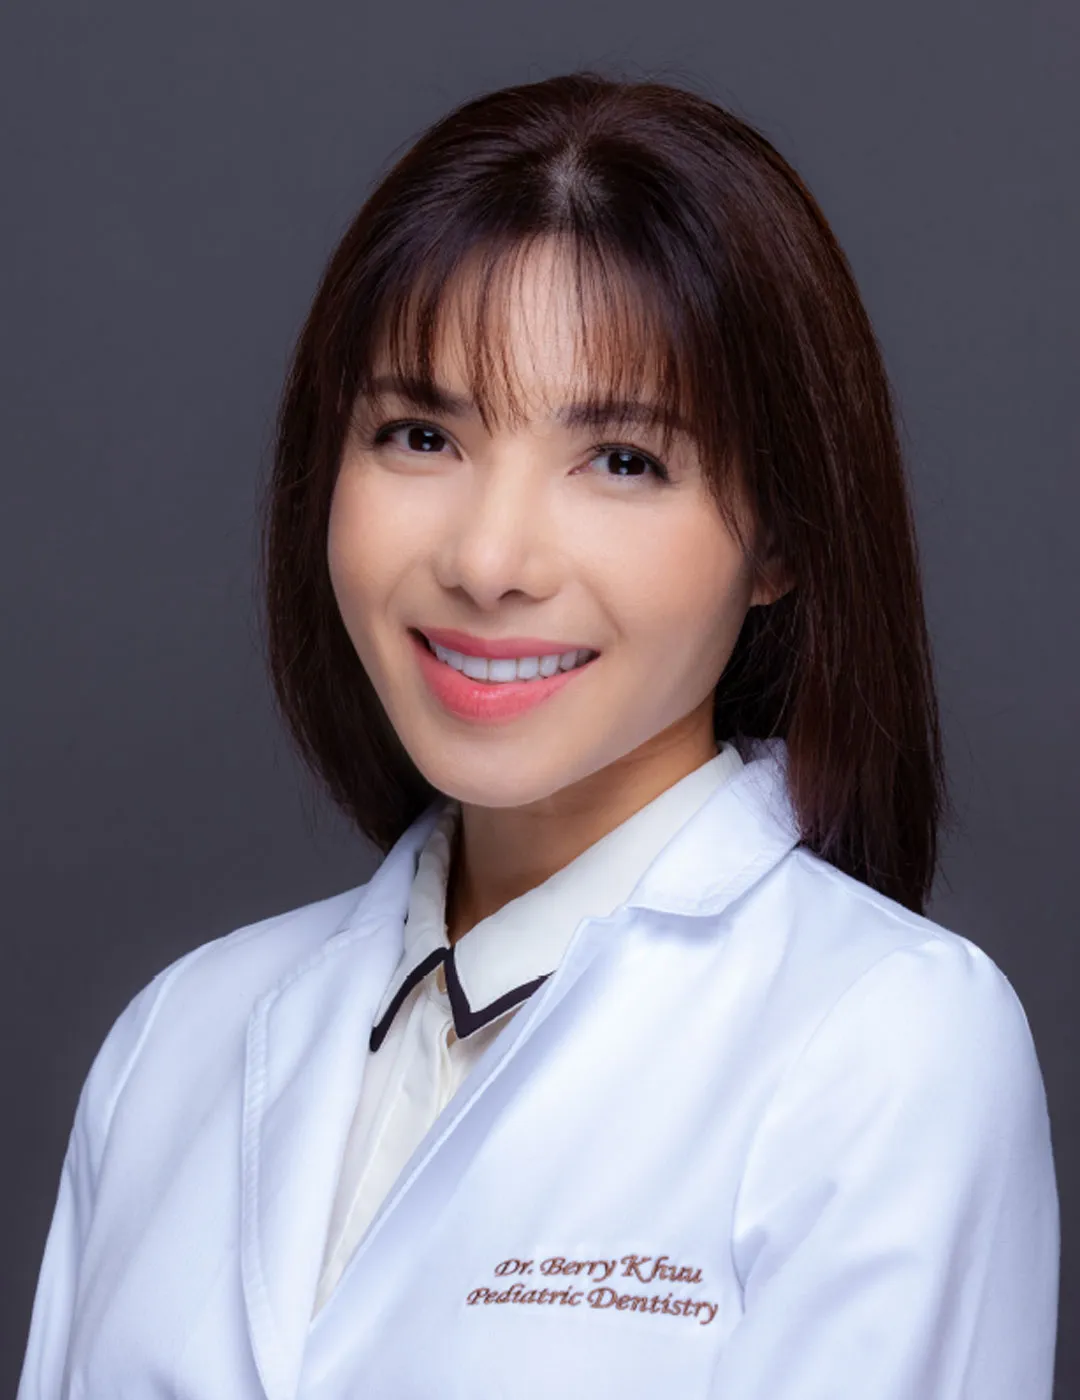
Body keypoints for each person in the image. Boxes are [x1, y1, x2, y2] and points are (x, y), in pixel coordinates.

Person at [17, 72, 1058, 1399]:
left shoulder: (889, 1049)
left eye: (622, 458)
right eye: (419, 433)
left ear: (779, 540)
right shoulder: (180, 1040)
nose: (491, 558)